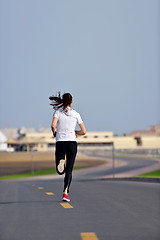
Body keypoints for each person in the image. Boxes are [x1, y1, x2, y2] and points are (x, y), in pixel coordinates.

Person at [49, 92, 86, 202]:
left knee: (60, 170)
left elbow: (52, 125)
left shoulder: (58, 112)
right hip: (72, 143)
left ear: (62, 101)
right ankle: (65, 193)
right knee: (69, 170)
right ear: (72, 101)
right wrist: (75, 132)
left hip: (61, 142)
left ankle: (61, 164)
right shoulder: (76, 114)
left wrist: (54, 132)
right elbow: (84, 131)